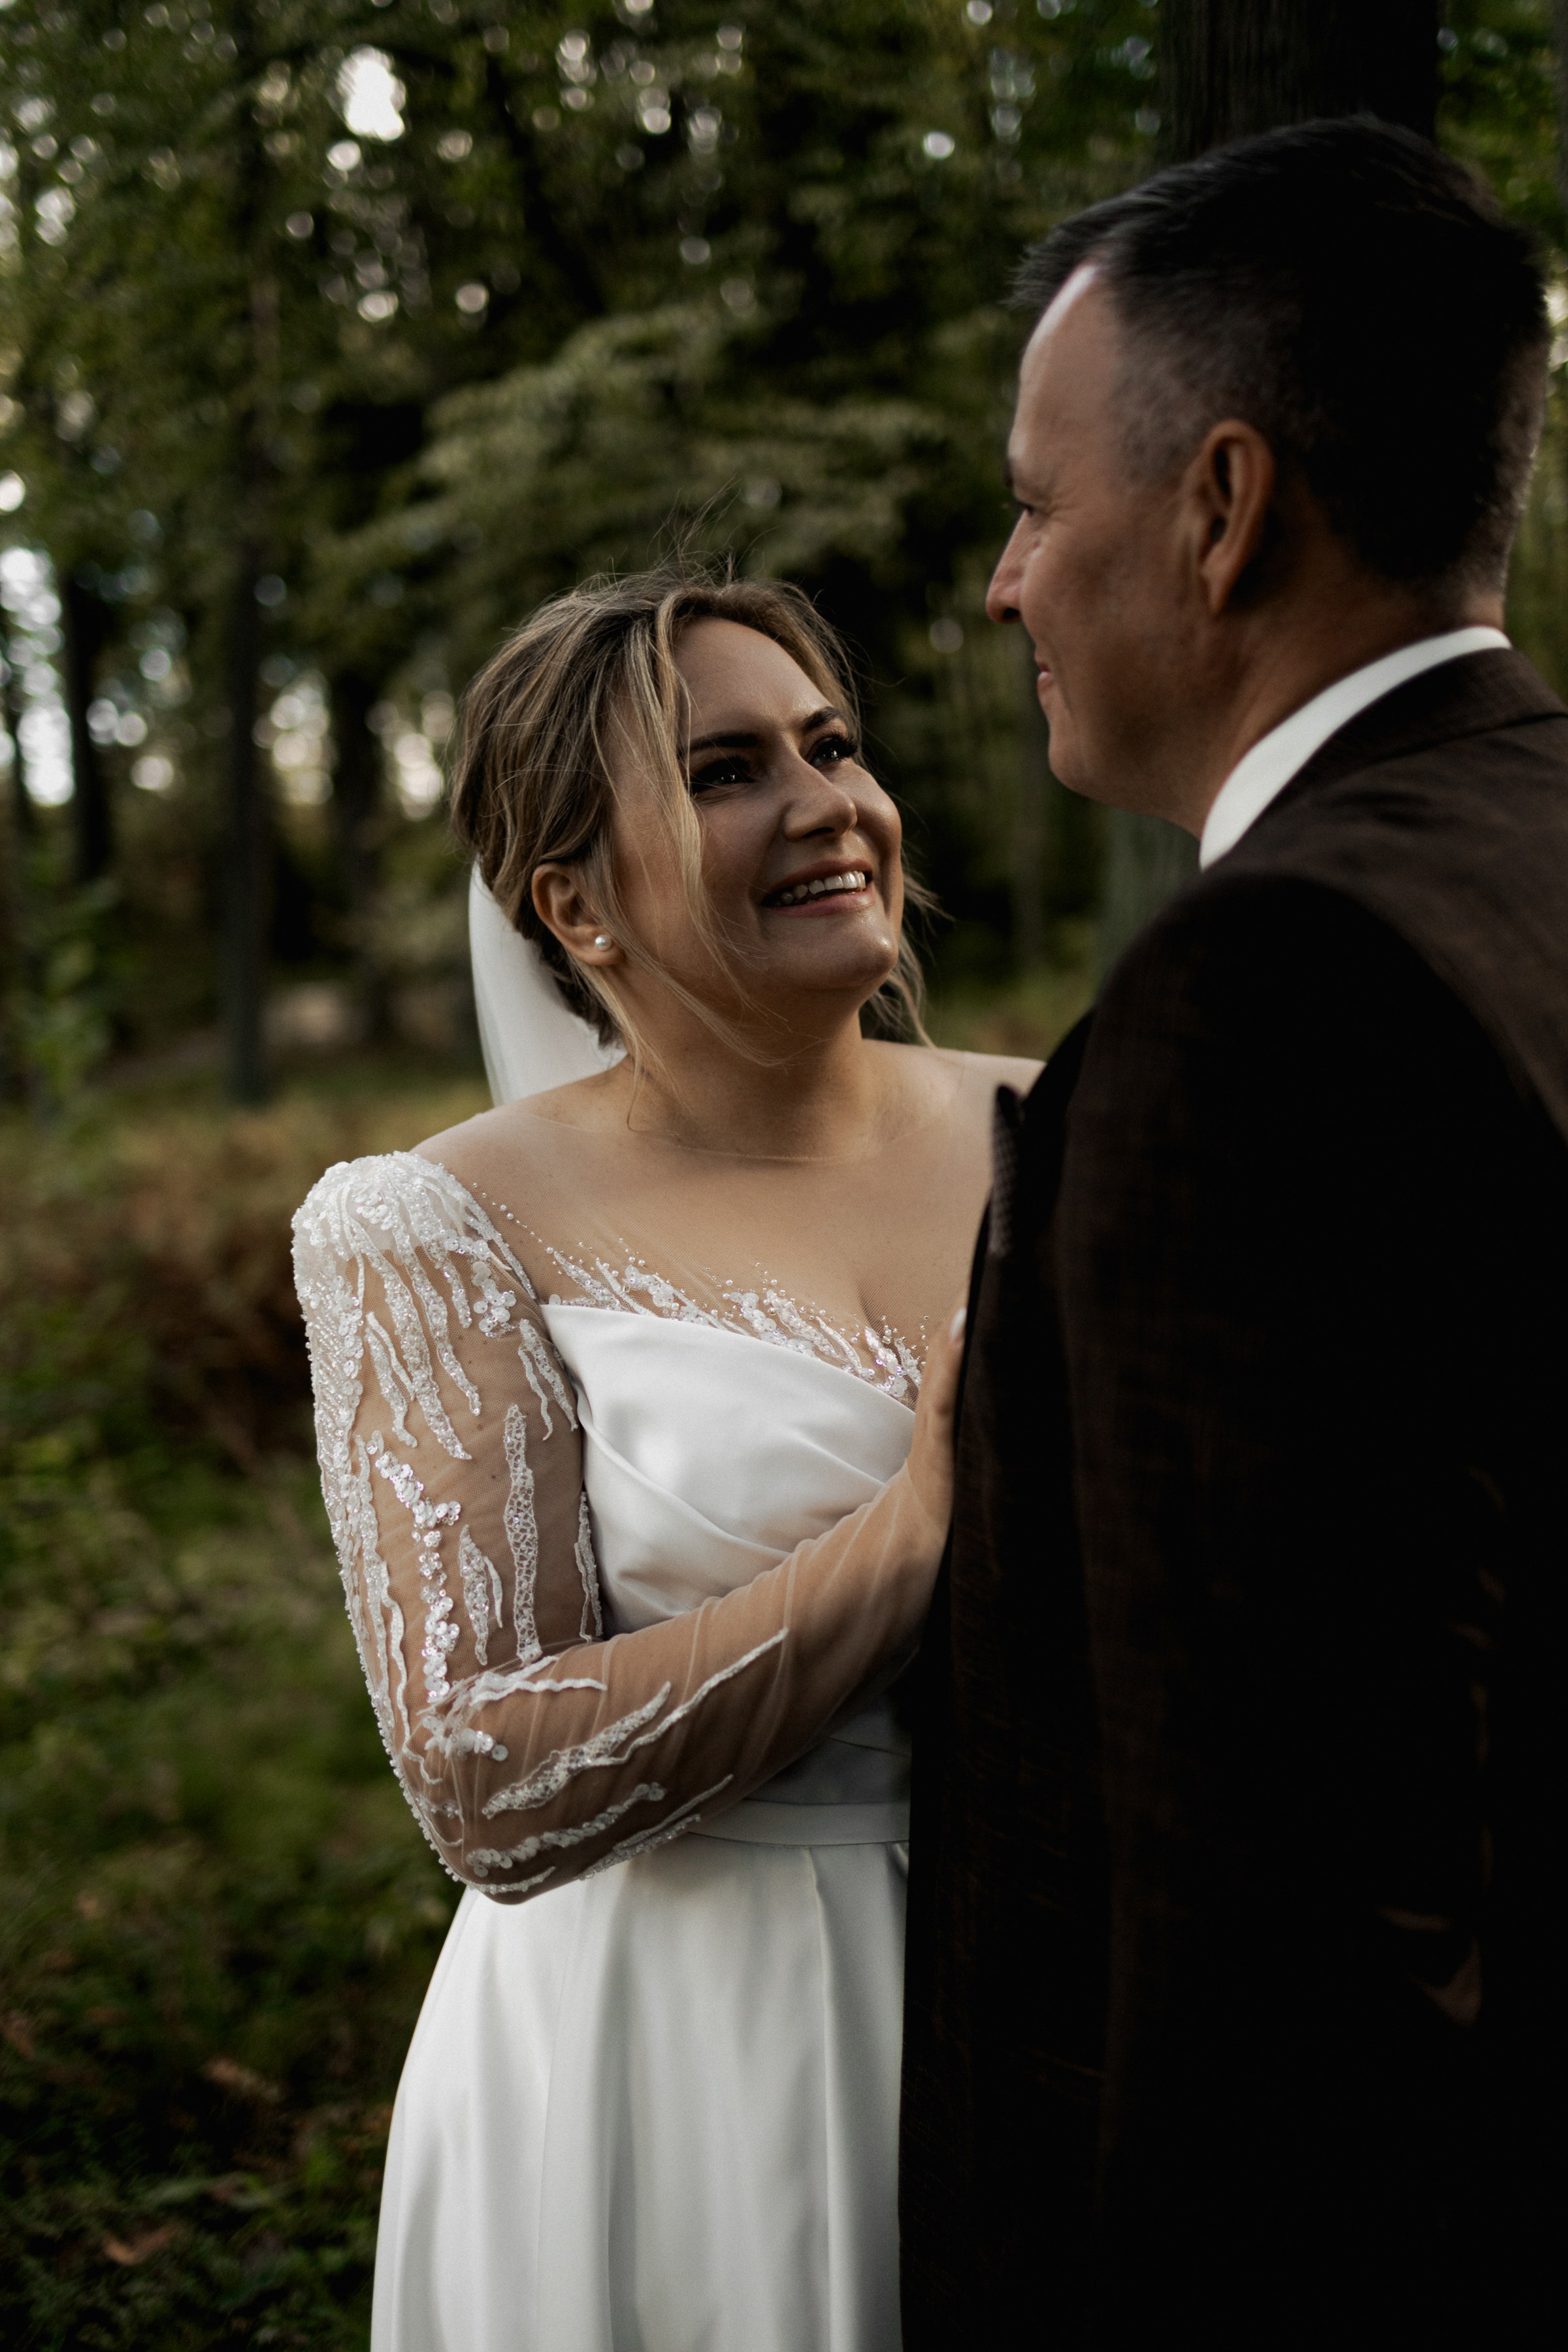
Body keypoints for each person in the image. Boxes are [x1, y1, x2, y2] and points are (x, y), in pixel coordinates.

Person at [900, 120, 1568, 2347]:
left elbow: (1283, 1928)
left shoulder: (1271, 994)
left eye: (1031, 498)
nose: (1005, 581)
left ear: (1220, 510)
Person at [293, 569, 1036, 2351]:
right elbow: (485, 1779)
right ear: (574, 903)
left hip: (1049, 1991)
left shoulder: (1066, 1121)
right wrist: (919, 1525)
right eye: (724, 772)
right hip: (671, 2052)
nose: (825, 805)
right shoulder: (437, 1225)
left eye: (831, 746)